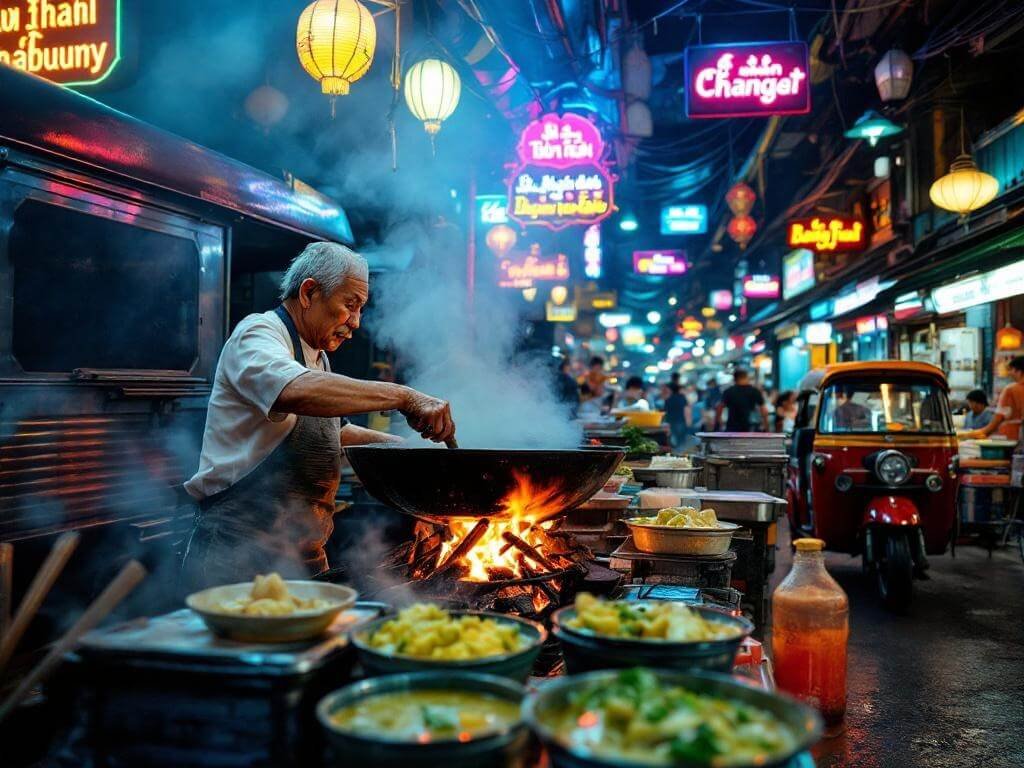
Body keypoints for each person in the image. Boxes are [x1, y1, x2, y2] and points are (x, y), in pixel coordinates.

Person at [180, 242, 456, 592]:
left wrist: (406, 449)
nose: (355, 322)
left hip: (302, 557)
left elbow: (332, 433)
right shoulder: (257, 334)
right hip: (239, 558)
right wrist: (404, 396)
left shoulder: (317, 358)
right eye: (350, 305)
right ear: (309, 292)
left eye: (360, 309)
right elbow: (293, 390)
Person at [972, 357, 1024, 440]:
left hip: (1011, 436)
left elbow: (998, 418)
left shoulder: (1010, 389)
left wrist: (978, 433)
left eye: (1011, 370)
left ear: (1019, 371)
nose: (1009, 373)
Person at [663, 383, 688, 450]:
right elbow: (686, 410)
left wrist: (666, 422)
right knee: (681, 439)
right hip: (681, 421)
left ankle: (676, 453)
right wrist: (689, 421)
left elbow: (665, 412)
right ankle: (682, 454)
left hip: (671, 422)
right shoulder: (682, 397)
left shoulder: (668, 399)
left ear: (671, 390)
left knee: (673, 440)